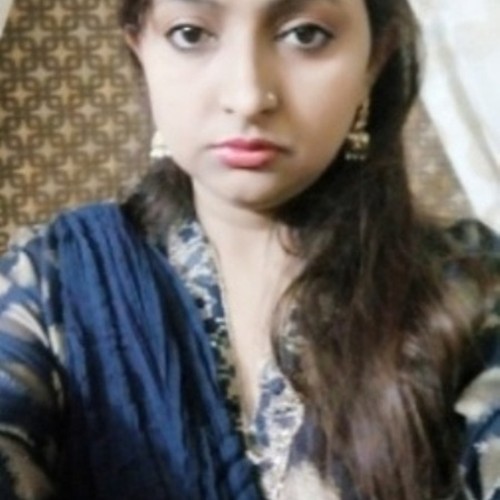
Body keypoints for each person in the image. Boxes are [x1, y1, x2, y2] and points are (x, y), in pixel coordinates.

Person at [0, 0, 499, 498]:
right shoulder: (49, 283)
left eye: (306, 35)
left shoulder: (473, 287)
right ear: (139, 47)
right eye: (191, 34)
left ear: (374, 58)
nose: (248, 96)